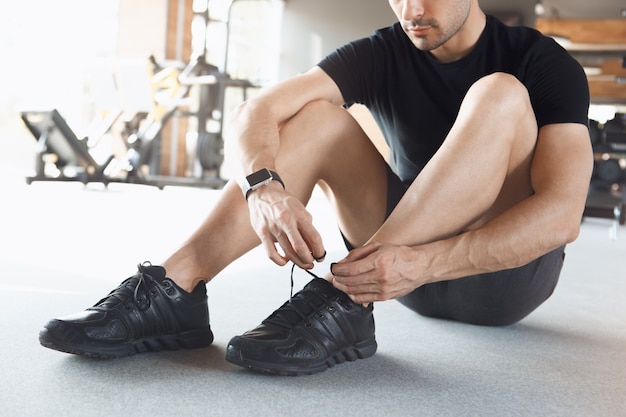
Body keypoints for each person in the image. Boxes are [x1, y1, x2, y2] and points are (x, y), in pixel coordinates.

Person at [39, 0, 592, 376]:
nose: (413, 10)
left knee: (499, 93)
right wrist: (264, 188)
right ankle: (177, 293)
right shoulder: (385, 50)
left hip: (500, 278)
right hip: (390, 272)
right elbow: (259, 109)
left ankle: (343, 295)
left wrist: (421, 265)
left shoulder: (541, 61)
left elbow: (564, 214)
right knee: (317, 116)